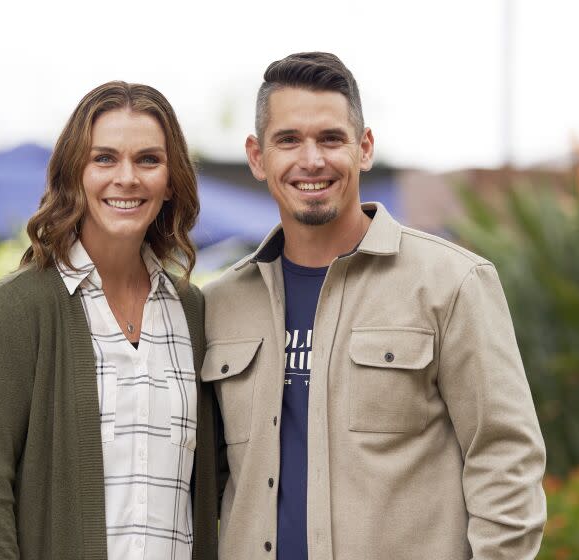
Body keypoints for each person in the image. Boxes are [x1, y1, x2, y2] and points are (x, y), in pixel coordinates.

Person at [202, 52, 546, 559]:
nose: (311, 160)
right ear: (258, 157)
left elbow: (505, 459)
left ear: (364, 148)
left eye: (331, 138)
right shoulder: (219, 305)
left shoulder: (452, 284)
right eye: (289, 140)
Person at [0, 81, 219, 560]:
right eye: (104, 159)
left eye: (149, 160)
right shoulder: (21, 306)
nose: (127, 177)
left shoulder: (193, 311)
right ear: (74, 173)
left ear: (172, 179)